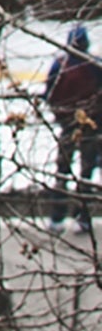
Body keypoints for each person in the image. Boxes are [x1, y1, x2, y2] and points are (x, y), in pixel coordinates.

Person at [46, 25, 102, 235]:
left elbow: (49, 94)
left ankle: (57, 218)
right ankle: (82, 218)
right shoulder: (94, 66)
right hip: (90, 127)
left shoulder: (60, 65)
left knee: (63, 172)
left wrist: (61, 116)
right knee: (85, 173)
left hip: (67, 126)